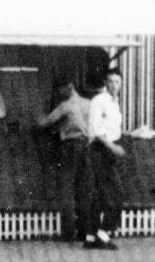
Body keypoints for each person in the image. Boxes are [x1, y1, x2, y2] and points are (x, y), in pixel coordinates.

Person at [37, 81, 91, 241]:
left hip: (69, 147)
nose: (58, 93)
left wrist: (39, 114)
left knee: (66, 188)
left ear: (68, 87)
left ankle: (68, 232)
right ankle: (84, 231)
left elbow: (44, 123)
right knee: (84, 189)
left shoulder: (65, 106)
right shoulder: (88, 104)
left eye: (59, 89)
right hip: (87, 146)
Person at [80, 69, 125, 250]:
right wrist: (112, 146)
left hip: (109, 151)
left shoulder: (115, 104)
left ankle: (91, 237)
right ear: (105, 83)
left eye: (117, 82)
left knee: (99, 195)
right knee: (116, 193)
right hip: (100, 150)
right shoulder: (99, 101)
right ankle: (104, 233)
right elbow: (97, 131)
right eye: (111, 81)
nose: (114, 85)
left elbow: (113, 129)